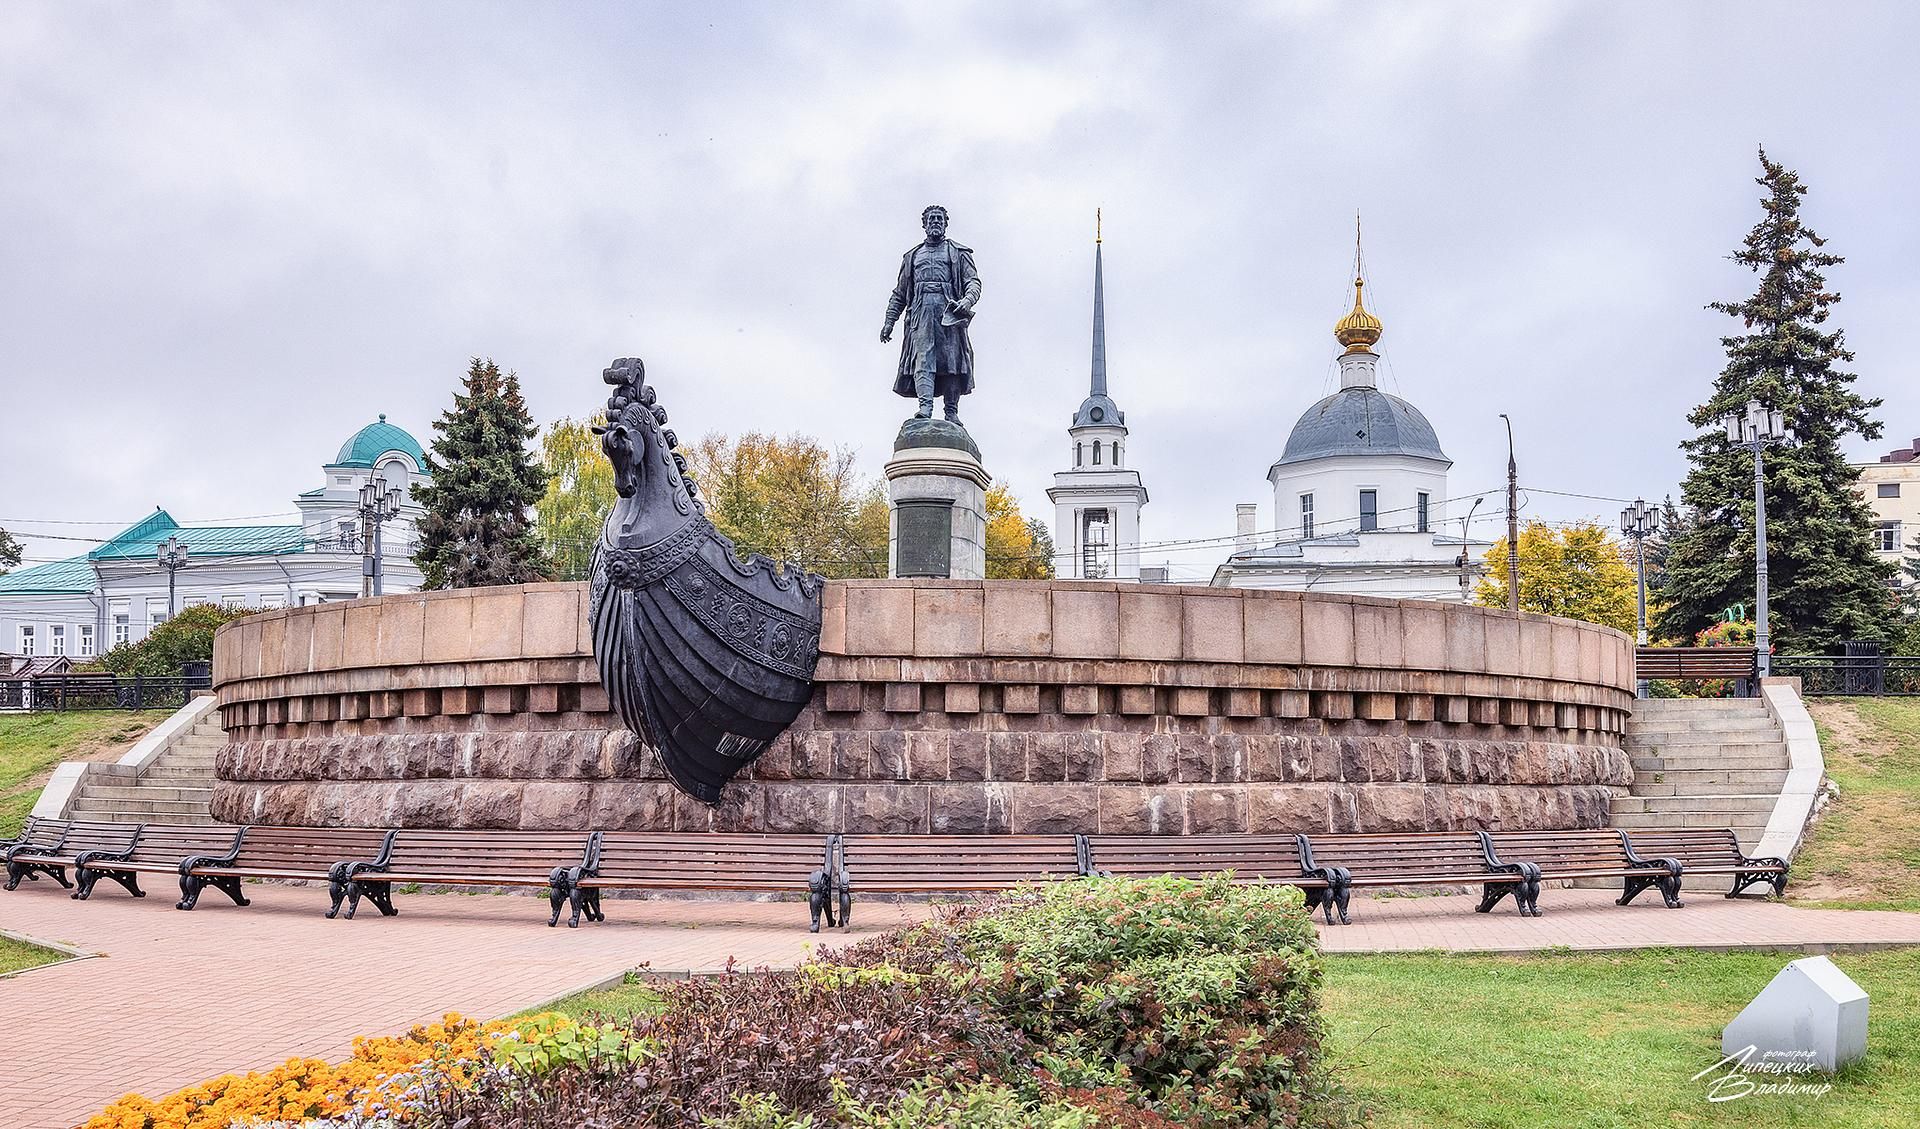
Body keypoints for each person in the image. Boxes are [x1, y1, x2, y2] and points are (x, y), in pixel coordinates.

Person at [880, 205, 981, 422]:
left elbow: (972, 282)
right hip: (921, 314)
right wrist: (889, 322)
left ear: (945, 223)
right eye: (931, 219)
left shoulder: (957, 252)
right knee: (923, 360)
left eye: (940, 219)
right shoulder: (912, 256)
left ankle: (951, 412)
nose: (935, 222)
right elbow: (899, 294)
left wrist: (966, 301)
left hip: (948, 313)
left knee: (952, 362)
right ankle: (925, 408)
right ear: (924, 224)